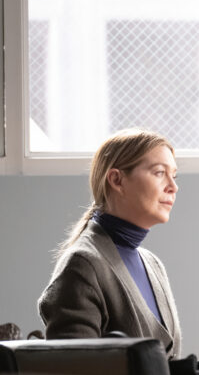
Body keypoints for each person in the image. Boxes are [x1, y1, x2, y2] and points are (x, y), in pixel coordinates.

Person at [38, 129, 183, 358]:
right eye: (159, 173)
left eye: (174, 175)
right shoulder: (82, 265)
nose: (173, 187)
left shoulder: (153, 265)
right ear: (117, 180)